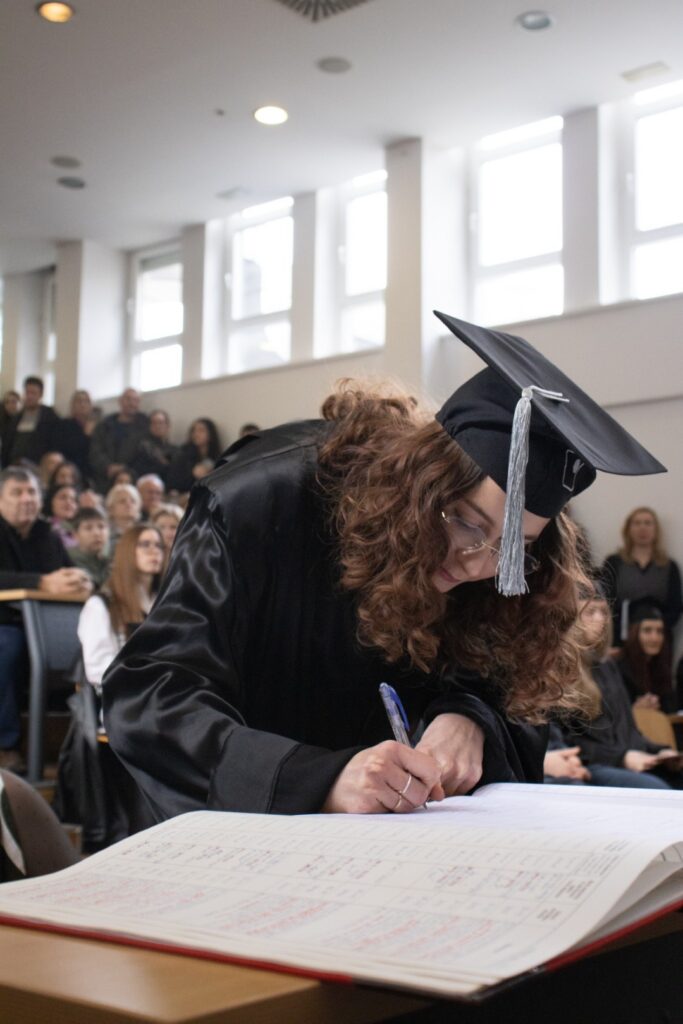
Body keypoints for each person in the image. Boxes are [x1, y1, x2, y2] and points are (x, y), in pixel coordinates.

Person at [103, 313, 665, 822]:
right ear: (423, 481)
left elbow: (505, 682)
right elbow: (151, 696)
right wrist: (318, 780)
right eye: (466, 522)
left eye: (512, 549)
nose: (477, 563)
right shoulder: (255, 503)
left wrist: (469, 719)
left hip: (379, 846)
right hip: (232, 836)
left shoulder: (492, 571)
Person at [0, 468, 91, 772]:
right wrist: (41, 582)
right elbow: (46, 582)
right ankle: (5, 745)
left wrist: (80, 580)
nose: (26, 498)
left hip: (48, 624)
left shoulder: (48, 536)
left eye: (32, 492)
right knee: (7, 647)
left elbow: (66, 573)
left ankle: (85, 743)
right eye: (17, 492)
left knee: (90, 646)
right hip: (6, 623)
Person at [559, 592, 681, 789]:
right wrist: (622, 757)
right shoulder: (562, 669)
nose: (600, 619)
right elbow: (567, 742)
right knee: (657, 789)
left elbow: (630, 733)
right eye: (590, 612)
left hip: (625, 760)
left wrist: (660, 752)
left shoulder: (608, 666)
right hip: (593, 766)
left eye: (603, 612)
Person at [601, 507, 682, 645]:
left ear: (656, 530)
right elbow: (606, 603)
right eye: (637, 523)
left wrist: (654, 630)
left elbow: (675, 607)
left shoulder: (669, 566)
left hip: (658, 640)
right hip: (621, 638)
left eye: (648, 523)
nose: (642, 528)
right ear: (628, 529)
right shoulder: (614, 562)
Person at [616, 601, 676, 712]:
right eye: (647, 630)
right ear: (634, 634)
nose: (655, 638)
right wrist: (635, 710)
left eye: (660, 631)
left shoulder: (661, 668)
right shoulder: (621, 671)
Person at [89, 388, 148, 493]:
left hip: (133, 481)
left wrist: (125, 469)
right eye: (128, 399)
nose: (131, 403)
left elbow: (145, 453)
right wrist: (108, 466)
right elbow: (95, 450)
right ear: (120, 401)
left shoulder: (145, 426)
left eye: (135, 400)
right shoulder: (105, 425)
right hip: (104, 479)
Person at [1, 376, 61, 469]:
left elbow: (54, 444)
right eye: (27, 392)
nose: (29, 396)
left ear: (40, 395)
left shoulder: (49, 417)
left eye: (33, 393)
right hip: (14, 466)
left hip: (37, 467)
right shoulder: (16, 418)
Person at [167, 418, 221, 495]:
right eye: (194, 430)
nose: (196, 434)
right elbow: (173, 482)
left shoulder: (217, 457)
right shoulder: (183, 454)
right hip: (186, 495)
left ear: (211, 434)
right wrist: (192, 474)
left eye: (201, 430)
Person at [58, 389, 97, 483]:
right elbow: (69, 449)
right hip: (71, 469)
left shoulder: (98, 426)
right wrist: (86, 436)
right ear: (72, 405)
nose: (83, 404)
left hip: (92, 472)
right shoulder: (64, 425)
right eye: (79, 401)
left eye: (86, 401)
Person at [130, 409, 178, 482]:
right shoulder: (141, 447)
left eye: (160, 423)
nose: (157, 426)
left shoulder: (175, 450)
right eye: (154, 423)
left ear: (168, 426)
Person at [69, 508, 111, 590]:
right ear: (75, 535)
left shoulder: (109, 561)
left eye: (101, 527)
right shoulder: (69, 560)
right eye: (88, 528)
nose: (97, 533)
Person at [105, 483, 142, 550]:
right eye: (122, 501)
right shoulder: (105, 533)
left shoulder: (144, 532)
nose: (129, 504)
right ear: (111, 508)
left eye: (133, 501)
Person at [45, 484, 80, 549]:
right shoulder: (44, 529)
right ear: (51, 502)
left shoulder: (82, 528)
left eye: (73, 499)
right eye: (63, 498)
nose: (69, 502)